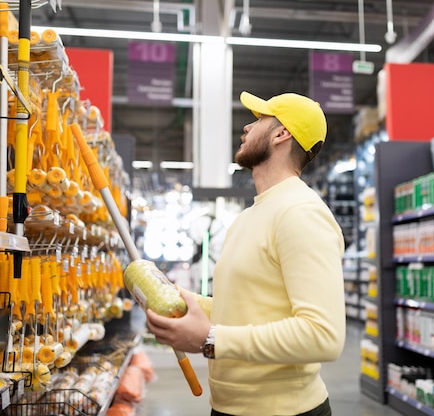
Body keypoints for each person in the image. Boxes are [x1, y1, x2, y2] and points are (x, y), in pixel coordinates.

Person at [146, 91, 346, 416]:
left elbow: (323, 336)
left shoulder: (300, 212)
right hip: (229, 408)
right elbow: (247, 305)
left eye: (259, 120)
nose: (246, 129)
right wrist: (191, 303)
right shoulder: (250, 216)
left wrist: (209, 339)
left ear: (282, 134)